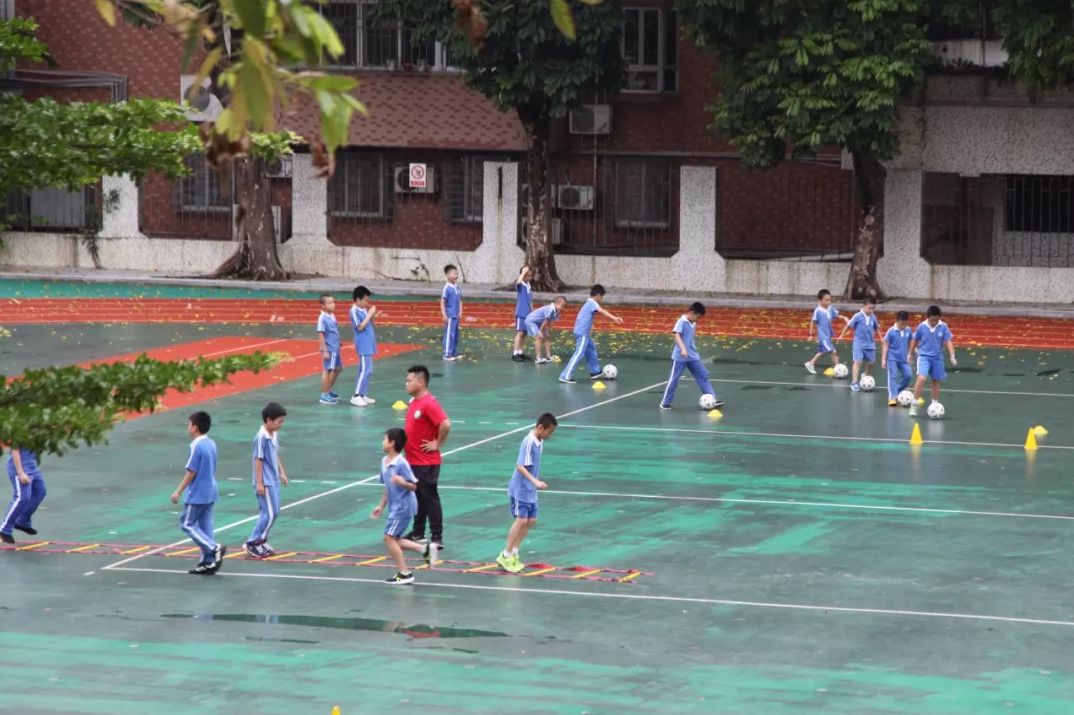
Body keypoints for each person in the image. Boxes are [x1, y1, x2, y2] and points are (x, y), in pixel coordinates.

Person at [372, 427, 441, 585]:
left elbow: (414, 486)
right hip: (394, 506)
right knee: (394, 539)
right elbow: (387, 487)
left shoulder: (402, 463)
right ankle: (425, 549)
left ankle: (404, 573)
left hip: (404, 506)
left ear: (392, 443)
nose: (382, 442)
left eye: (385, 439)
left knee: (388, 538)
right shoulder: (384, 462)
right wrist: (381, 506)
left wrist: (402, 482)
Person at [496, 413, 558, 574]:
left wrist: (535, 483)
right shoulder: (529, 441)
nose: (549, 435)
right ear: (540, 427)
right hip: (521, 488)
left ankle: (515, 552)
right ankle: (506, 555)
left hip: (530, 489)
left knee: (531, 520)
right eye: (549, 432)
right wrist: (536, 481)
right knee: (521, 520)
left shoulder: (540, 441)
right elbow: (520, 466)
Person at [170, 411, 225, 575]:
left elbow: (191, 471)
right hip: (211, 490)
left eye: (189, 424)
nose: (188, 427)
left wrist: (178, 491)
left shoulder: (196, 445)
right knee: (206, 525)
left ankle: (213, 548)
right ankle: (208, 561)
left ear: (195, 427)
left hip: (198, 492)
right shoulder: (211, 443)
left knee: (187, 523)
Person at [403, 366, 452, 549]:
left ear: (421, 382)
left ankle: (437, 536)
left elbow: (445, 424)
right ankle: (417, 533)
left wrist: (438, 444)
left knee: (430, 497)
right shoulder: (413, 402)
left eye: (410, 381)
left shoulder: (429, 403)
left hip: (426, 462)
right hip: (413, 461)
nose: (407, 384)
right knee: (418, 498)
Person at [245, 402, 289, 558]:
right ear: (269, 420)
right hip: (265, 481)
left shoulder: (273, 434)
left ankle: (261, 540)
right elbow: (258, 460)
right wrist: (259, 482)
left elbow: (275, 454)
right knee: (269, 513)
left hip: (273, 479)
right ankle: (253, 542)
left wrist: (282, 472)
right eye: (279, 421)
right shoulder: (261, 437)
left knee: (273, 512)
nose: (280, 425)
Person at [659, 302, 723, 410]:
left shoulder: (693, 322)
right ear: (692, 313)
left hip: (692, 356)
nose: (698, 319)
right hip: (680, 356)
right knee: (674, 379)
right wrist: (683, 349)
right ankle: (665, 402)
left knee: (703, 375)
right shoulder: (682, 321)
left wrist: (690, 350)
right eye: (697, 317)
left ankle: (712, 399)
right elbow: (676, 335)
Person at [558, 284, 624, 384]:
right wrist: (614, 318)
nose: (602, 299)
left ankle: (595, 371)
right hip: (582, 333)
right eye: (602, 296)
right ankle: (565, 376)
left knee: (591, 350)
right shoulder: (592, 303)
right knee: (579, 353)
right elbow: (602, 311)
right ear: (597, 295)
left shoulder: (589, 303)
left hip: (584, 333)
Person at [907, 306, 957, 418]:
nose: (934, 322)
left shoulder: (943, 327)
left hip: (937, 358)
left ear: (940, 318)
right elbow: (914, 340)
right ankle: (914, 404)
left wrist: (952, 356)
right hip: (924, 356)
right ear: (927, 317)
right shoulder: (921, 327)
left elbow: (948, 342)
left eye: (936, 320)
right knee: (922, 378)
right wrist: (910, 354)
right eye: (932, 320)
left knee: (936, 381)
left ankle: (935, 403)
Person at [0, 447, 46, 545]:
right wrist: (20, 473)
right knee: (22, 498)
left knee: (40, 492)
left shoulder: (40, 432)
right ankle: (4, 529)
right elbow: (15, 450)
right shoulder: (22, 432)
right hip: (19, 469)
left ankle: (22, 522)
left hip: (32, 467)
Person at [349, 285, 382, 407]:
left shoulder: (363, 309)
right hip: (363, 344)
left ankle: (362, 394)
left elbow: (369, 322)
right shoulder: (354, 311)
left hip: (368, 343)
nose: (367, 303)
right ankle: (356, 395)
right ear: (358, 300)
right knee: (365, 370)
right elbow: (360, 327)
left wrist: (373, 315)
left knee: (368, 370)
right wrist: (370, 314)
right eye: (365, 300)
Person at [838, 298, 880, 392]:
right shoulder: (857, 316)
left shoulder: (873, 317)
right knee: (858, 362)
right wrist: (841, 335)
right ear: (864, 306)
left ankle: (865, 374)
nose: (871, 310)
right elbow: (848, 325)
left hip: (870, 344)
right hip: (859, 344)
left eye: (873, 308)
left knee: (871, 362)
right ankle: (854, 382)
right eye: (869, 308)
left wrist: (881, 338)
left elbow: (877, 328)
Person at [804, 289, 849, 375]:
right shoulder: (818, 311)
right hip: (822, 336)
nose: (828, 302)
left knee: (822, 352)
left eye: (830, 300)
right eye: (826, 300)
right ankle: (838, 367)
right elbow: (813, 322)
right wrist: (811, 334)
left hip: (828, 336)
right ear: (820, 300)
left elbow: (837, 315)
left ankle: (811, 363)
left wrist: (844, 317)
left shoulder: (830, 308)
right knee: (833, 351)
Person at [882, 311, 913, 407]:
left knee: (908, 375)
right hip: (892, 357)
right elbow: (885, 345)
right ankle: (892, 397)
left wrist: (910, 353)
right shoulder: (891, 331)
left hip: (903, 357)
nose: (903, 326)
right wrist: (883, 359)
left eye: (905, 323)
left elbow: (911, 341)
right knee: (893, 376)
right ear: (896, 321)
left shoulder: (908, 330)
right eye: (901, 324)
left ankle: (897, 392)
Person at [525, 297, 567, 366]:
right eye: (562, 306)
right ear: (557, 303)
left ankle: (548, 357)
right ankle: (538, 358)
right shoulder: (550, 309)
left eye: (564, 307)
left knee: (547, 337)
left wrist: (546, 331)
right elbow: (546, 321)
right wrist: (540, 331)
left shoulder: (556, 312)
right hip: (531, 321)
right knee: (539, 337)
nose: (563, 308)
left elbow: (549, 322)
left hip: (539, 322)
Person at [317, 294, 342, 404]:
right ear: (323, 306)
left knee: (338, 368)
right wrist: (325, 350)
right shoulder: (322, 318)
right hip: (329, 348)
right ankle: (324, 394)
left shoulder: (332, 315)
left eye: (333, 302)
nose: (333, 305)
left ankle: (328, 390)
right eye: (329, 303)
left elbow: (333, 331)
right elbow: (321, 334)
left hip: (335, 347)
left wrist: (338, 341)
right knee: (327, 370)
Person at [511, 265, 534, 362]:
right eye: (526, 275)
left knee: (524, 333)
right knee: (520, 333)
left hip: (528, 313)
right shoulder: (521, 285)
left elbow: (530, 300)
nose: (528, 278)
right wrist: (523, 272)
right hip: (521, 313)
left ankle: (520, 352)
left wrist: (532, 310)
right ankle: (515, 353)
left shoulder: (528, 285)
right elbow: (518, 282)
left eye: (530, 276)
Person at [441, 264, 463, 361]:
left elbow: (459, 300)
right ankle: (447, 354)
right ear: (448, 275)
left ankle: (453, 352)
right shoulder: (447, 288)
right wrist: (444, 314)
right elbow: (442, 301)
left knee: (455, 334)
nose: (456, 276)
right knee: (449, 334)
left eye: (457, 274)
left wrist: (460, 311)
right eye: (454, 274)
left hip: (456, 315)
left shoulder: (457, 286)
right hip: (450, 315)